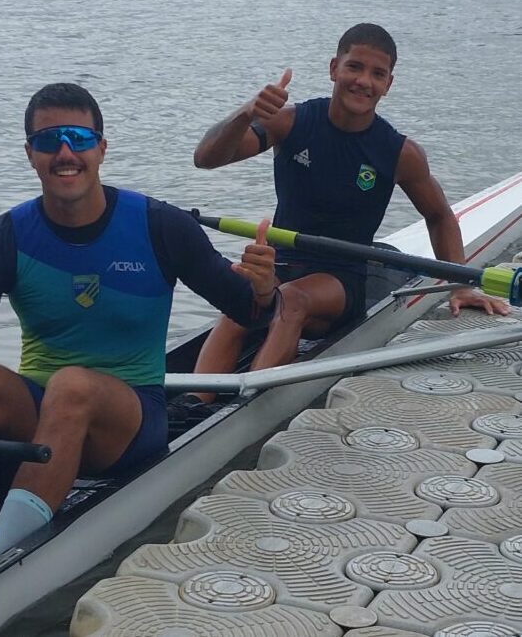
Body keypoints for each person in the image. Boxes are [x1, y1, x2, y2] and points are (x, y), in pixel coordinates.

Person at [0, 82, 276, 590]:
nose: (65, 152)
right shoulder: (2, 238)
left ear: (101, 148)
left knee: (72, 385)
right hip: (41, 417)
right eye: (48, 140)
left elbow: (249, 312)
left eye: (78, 138)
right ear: (30, 153)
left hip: (131, 422)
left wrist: (264, 288)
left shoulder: (160, 226)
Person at [181, 22, 509, 409]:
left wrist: (460, 285)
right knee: (239, 295)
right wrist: (245, 114)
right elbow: (206, 159)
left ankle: (242, 410)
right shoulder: (290, 122)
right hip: (282, 264)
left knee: (290, 300)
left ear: (388, 84)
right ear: (334, 68)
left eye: (377, 74)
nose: (363, 81)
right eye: (354, 67)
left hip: (342, 280)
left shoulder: (399, 153)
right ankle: (190, 405)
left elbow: (439, 216)